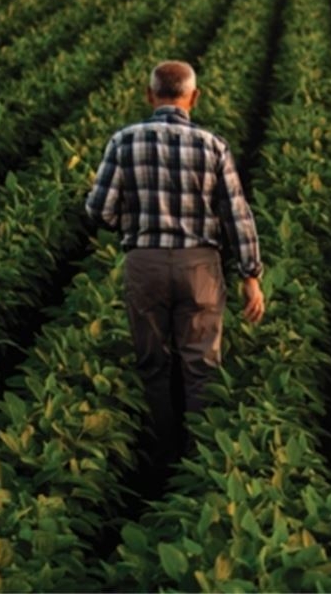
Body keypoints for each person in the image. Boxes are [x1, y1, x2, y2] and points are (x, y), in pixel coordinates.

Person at [84, 60, 264, 475]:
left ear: (149, 96)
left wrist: (130, 220)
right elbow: (237, 216)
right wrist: (250, 276)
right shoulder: (212, 146)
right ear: (193, 97)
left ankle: (161, 458)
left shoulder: (123, 142)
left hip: (144, 260)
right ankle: (199, 462)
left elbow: (98, 210)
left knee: (153, 363)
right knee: (200, 366)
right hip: (199, 265)